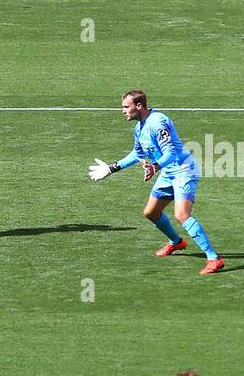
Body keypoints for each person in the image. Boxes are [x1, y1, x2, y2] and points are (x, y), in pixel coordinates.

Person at [88, 90, 225, 274]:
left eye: (126, 107)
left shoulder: (158, 122)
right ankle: (177, 242)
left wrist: (155, 166)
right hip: (168, 172)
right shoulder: (139, 128)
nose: (123, 111)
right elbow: (137, 154)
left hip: (183, 170)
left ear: (139, 106)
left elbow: (171, 153)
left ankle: (214, 259)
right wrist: (112, 168)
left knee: (182, 215)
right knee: (151, 212)